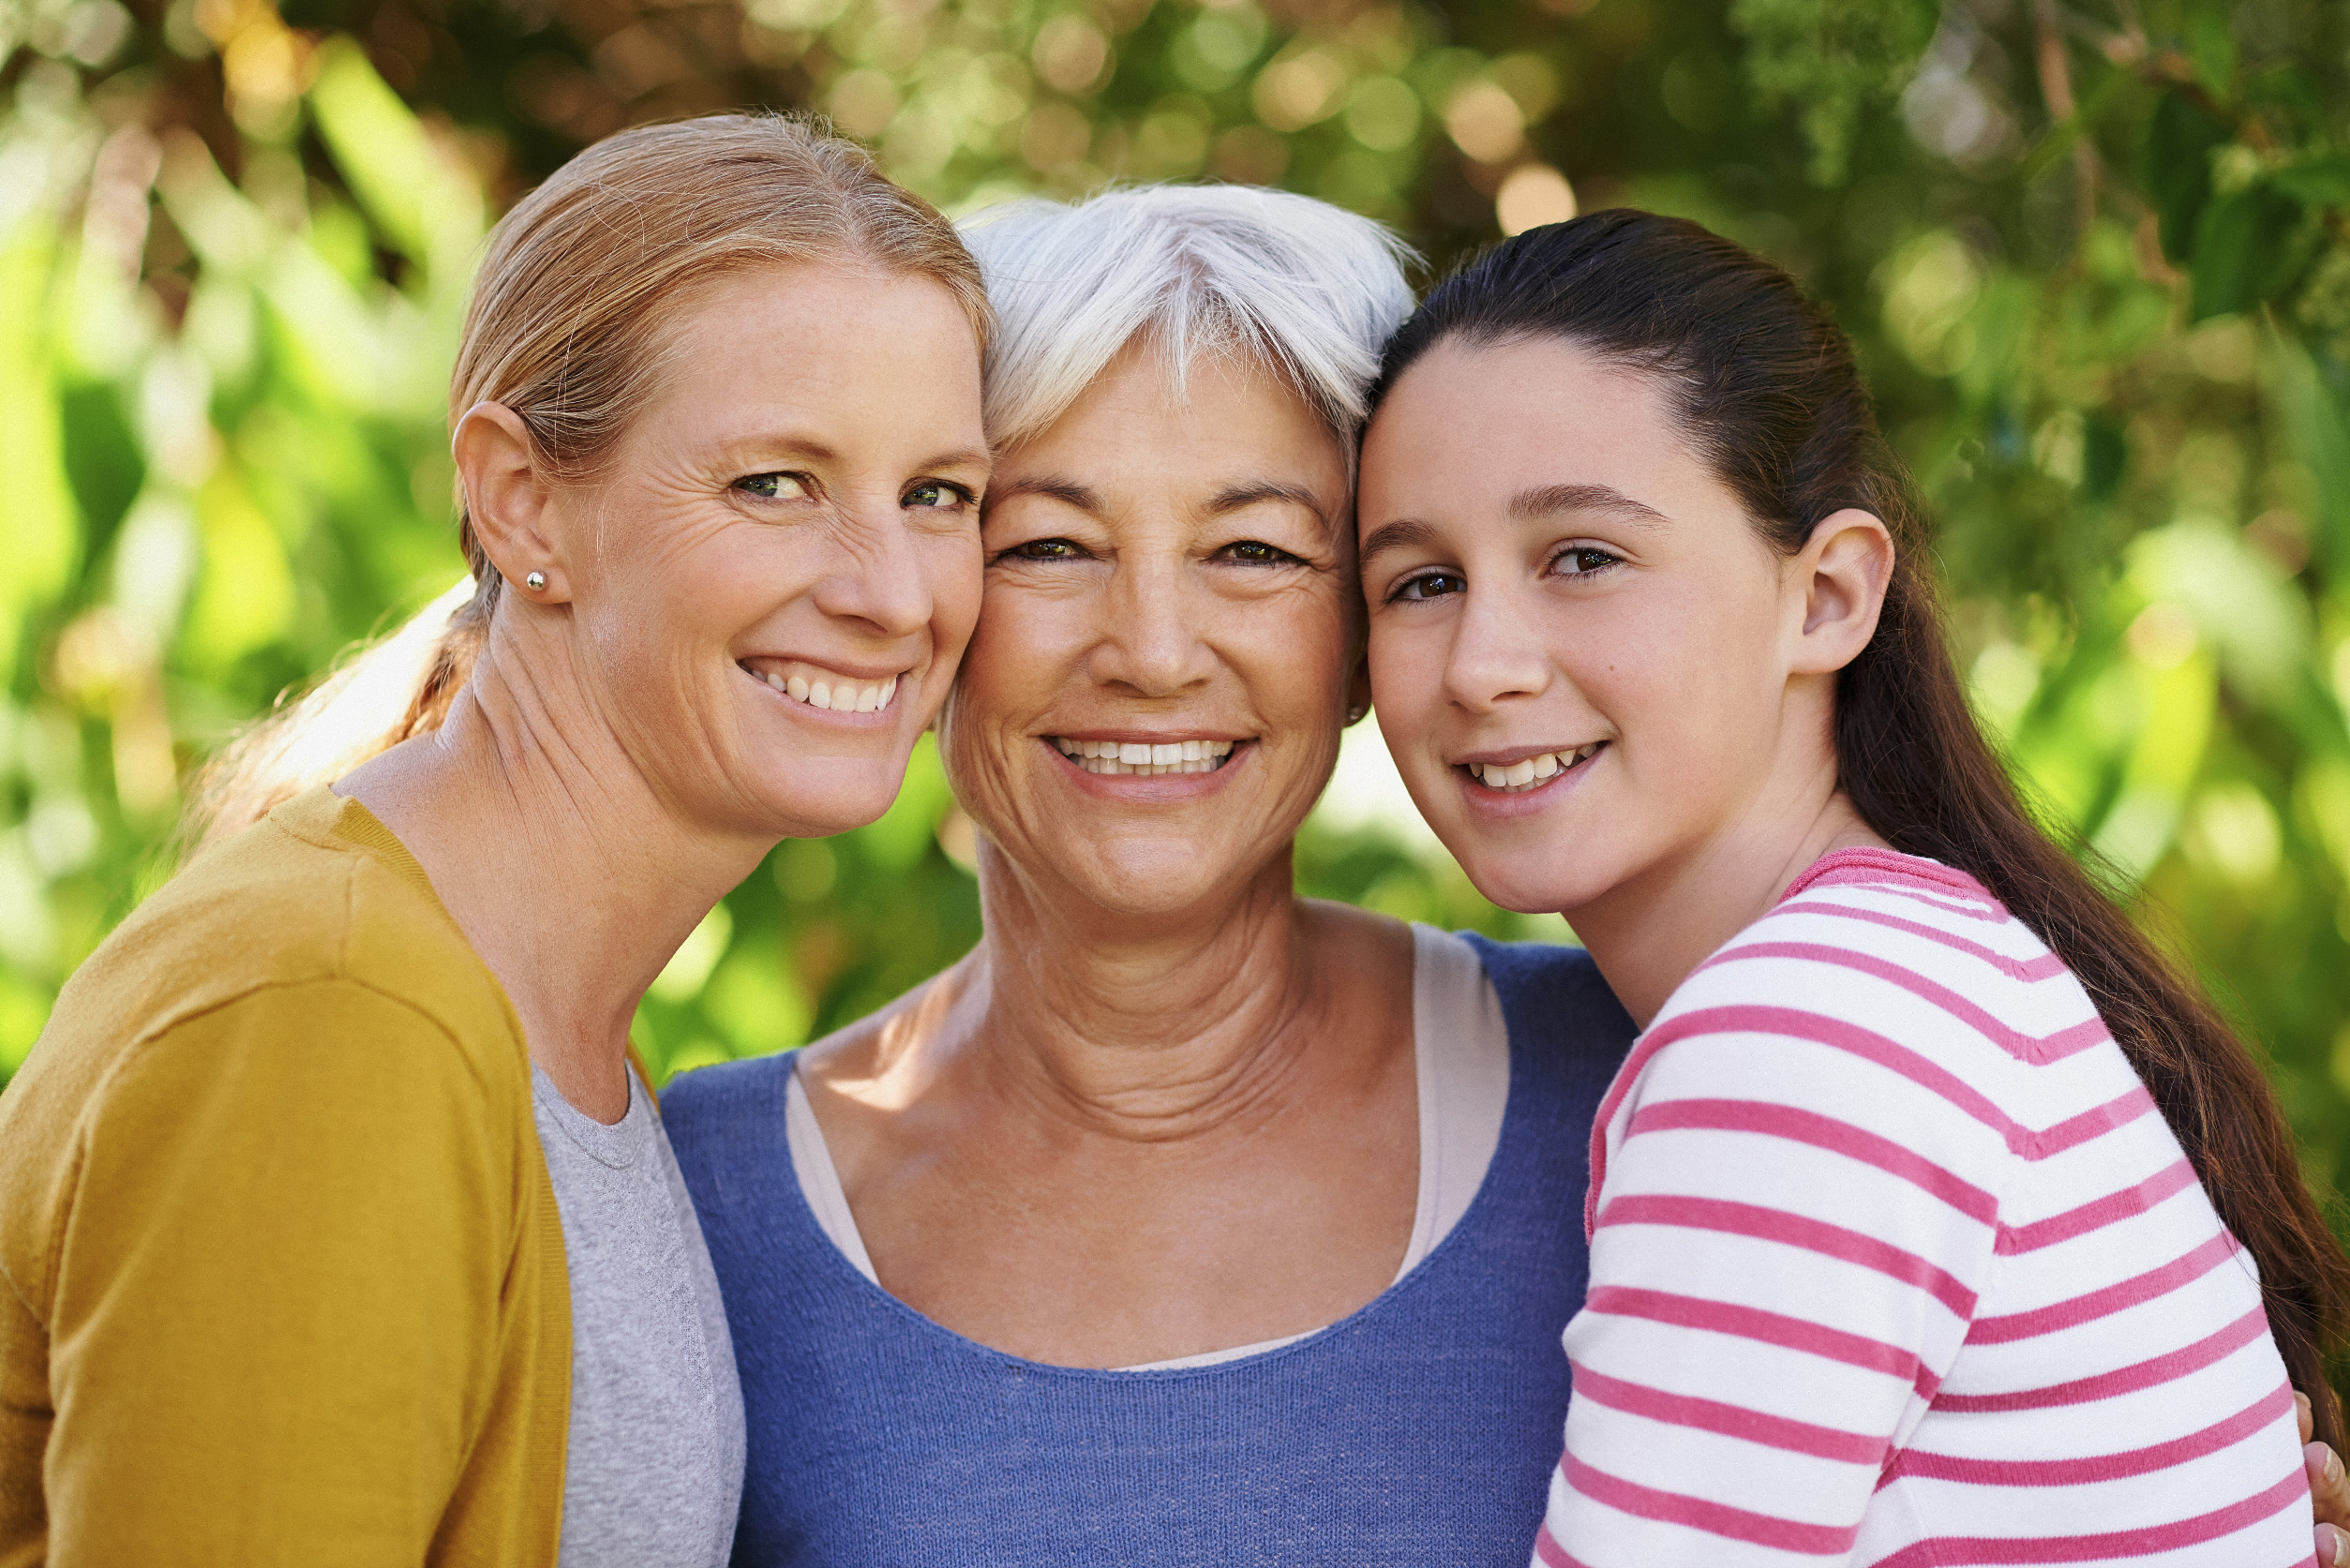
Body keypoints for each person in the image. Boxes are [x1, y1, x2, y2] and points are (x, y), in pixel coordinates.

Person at [0, 113, 990, 1566]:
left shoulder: (558, 1034)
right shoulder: (337, 1019)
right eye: (775, 481)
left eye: (938, 496)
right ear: (522, 499)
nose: (893, 591)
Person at [661, 184, 1644, 1565]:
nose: (1156, 649)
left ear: (1363, 633)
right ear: (927, 607)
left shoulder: (1632, 1094)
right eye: (1051, 544)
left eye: (1253, 550)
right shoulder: (705, 1201)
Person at [1355, 207, 2350, 1565]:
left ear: (1826, 595)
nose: (1482, 663)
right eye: (1419, 581)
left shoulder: (1803, 1039)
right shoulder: (1926, 963)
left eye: (1582, 556)